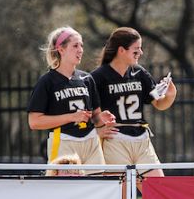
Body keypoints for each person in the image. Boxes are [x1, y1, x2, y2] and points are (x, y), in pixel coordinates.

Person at [89, 27, 177, 179]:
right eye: (136, 50)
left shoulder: (139, 73)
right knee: (119, 197)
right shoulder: (98, 77)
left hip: (142, 140)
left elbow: (159, 104)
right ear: (121, 50)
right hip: (115, 140)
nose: (140, 53)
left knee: (158, 190)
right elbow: (85, 114)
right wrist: (96, 130)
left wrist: (170, 95)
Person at [27, 26, 117, 173]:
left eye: (81, 45)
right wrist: (71, 117)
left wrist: (101, 118)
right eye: (75, 45)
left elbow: (95, 116)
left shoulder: (87, 79)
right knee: (66, 190)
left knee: (98, 189)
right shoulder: (47, 81)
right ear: (61, 50)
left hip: (90, 141)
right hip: (64, 141)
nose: (80, 49)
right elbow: (34, 122)